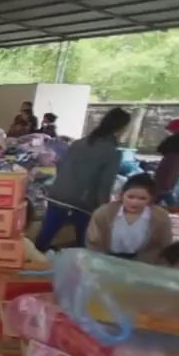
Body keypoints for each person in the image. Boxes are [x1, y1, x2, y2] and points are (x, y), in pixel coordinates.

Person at [35, 107, 130, 252]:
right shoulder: (112, 152)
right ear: (122, 128)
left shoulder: (79, 143)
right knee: (84, 240)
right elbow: (105, 184)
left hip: (58, 193)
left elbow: (61, 166)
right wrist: (104, 210)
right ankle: (78, 269)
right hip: (83, 201)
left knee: (45, 235)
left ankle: (34, 261)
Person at [85, 173, 173, 262]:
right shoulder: (103, 213)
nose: (135, 202)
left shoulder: (161, 218)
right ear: (122, 195)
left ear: (151, 199)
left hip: (143, 264)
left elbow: (165, 245)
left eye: (142, 198)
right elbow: (93, 242)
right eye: (130, 197)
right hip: (105, 260)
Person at [152, 118, 179, 204]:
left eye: (172, 129)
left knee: (164, 189)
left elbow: (161, 148)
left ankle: (171, 207)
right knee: (162, 190)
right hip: (171, 163)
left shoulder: (177, 139)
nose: (171, 130)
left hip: (171, 163)